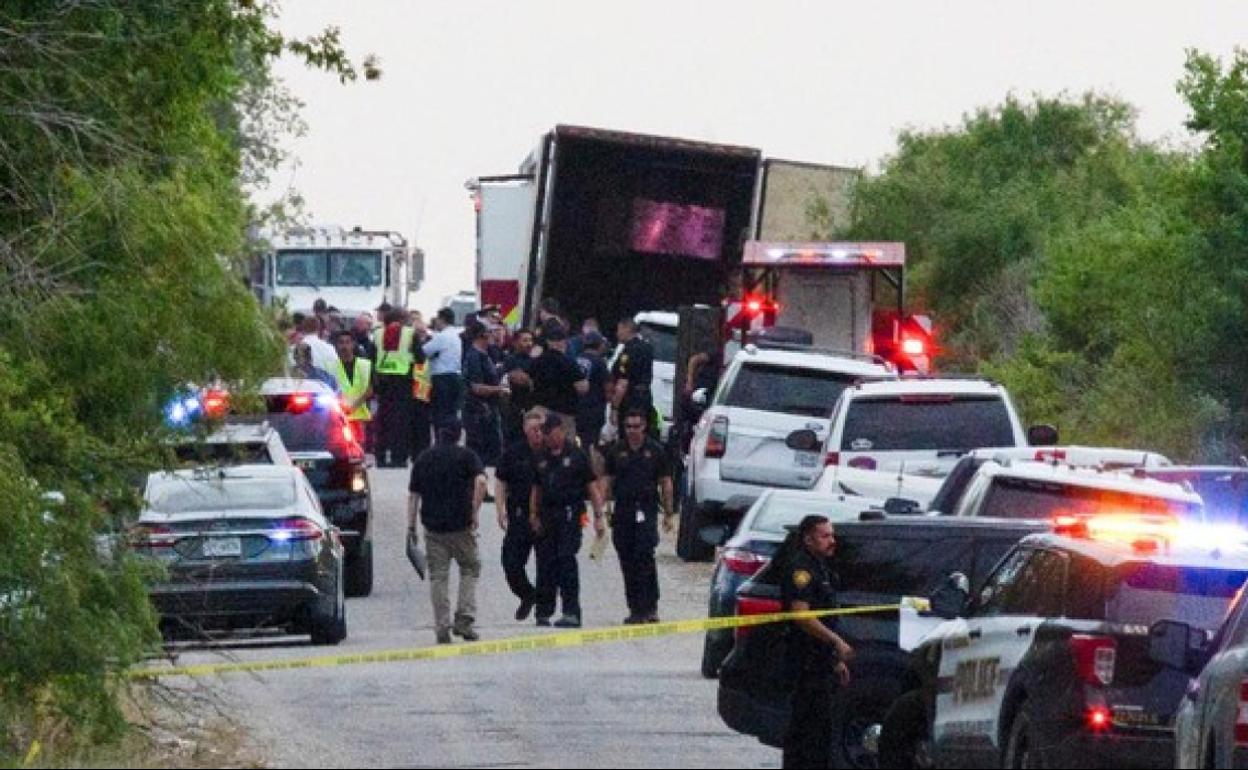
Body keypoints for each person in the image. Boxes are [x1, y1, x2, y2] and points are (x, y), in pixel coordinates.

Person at [778, 515, 854, 769]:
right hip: (804, 664)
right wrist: (836, 641)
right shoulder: (801, 569)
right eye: (825, 536)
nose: (832, 541)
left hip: (820, 663)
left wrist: (835, 661)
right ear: (808, 539)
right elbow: (801, 615)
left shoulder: (821, 567)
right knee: (805, 732)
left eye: (832, 535)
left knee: (821, 732)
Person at [407, 420, 487, 644]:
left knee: (438, 576)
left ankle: (442, 626)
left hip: (434, 529)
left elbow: (413, 496)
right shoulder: (467, 456)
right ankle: (464, 619)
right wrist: (474, 510)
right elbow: (481, 482)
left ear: (437, 435)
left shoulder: (424, 458)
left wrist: (411, 527)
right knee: (470, 567)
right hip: (461, 526)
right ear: (459, 435)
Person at [529, 412, 606, 628]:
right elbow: (536, 489)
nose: (548, 437)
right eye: (545, 433)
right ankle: (543, 611)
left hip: (570, 514)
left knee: (566, 561)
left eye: (551, 432)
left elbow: (592, 488)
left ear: (561, 431)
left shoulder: (577, 455)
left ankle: (571, 611)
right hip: (547, 515)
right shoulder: (541, 457)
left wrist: (599, 517)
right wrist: (533, 515)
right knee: (545, 563)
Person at [602, 409, 675, 624]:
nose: (632, 431)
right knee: (626, 557)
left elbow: (665, 482)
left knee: (644, 555)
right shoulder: (617, 451)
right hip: (623, 510)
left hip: (646, 508)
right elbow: (607, 480)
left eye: (636, 426)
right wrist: (605, 508)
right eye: (628, 427)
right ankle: (634, 607)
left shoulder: (656, 451)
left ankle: (649, 605)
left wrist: (668, 513)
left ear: (644, 427)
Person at [495, 409, 545, 621]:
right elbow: (500, 481)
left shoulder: (552, 452)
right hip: (519, 514)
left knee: (546, 564)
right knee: (511, 562)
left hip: (546, 515)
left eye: (541, 429)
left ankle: (544, 610)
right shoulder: (514, 453)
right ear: (525, 430)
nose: (538, 433)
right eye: (533, 429)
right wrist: (500, 509)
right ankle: (527, 594)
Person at [372, 308, 417, 468]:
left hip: (383, 381)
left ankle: (380, 457)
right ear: (401, 319)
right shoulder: (410, 333)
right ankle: (399, 458)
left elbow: (372, 357)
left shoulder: (378, 333)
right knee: (401, 421)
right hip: (403, 381)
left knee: (383, 421)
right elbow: (420, 356)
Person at [529, 320, 588, 436]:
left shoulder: (537, 361)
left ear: (548, 342)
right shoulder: (569, 363)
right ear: (564, 342)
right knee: (562, 444)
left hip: (539, 411)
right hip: (563, 415)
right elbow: (582, 388)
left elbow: (529, 382)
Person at [462, 321, 506, 468]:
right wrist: (500, 389)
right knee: (479, 455)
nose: (494, 335)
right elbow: (477, 387)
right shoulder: (474, 357)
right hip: (479, 411)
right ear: (482, 335)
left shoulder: (486, 355)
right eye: (490, 332)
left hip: (488, 411)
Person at [611, 317, 655, 436]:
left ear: (627, 329)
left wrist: (614, 408)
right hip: (644, 399)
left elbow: (623, 383)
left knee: (628, 435)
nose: (617, 333)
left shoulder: (628, 351)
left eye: (619, 329)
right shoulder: (647, 348)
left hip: (630, 401)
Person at [423, 307, 464, 430]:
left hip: (441, 379)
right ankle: (451, 436)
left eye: (437, 319)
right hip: (455, 377)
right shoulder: (456, 336)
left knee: (440, 414)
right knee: (451, 413)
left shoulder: (442, 336)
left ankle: (441, 438)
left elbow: (424, 351)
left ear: (442, 319)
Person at [332, 331, 373, 449]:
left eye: (347, 342)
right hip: (338, 416)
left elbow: (370, 389)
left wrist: (353, 407)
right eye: (341, 343)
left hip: (358, 415)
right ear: (336, 345)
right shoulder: (331, 366)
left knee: (358, 448)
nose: (344, 346)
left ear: (353, 344)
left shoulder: (365, 365)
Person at [575, 330, 610, 456]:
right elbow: (607, 387)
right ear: (599, 345)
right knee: (589, 446)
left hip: (575, 409)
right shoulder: (600, 362)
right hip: (593, 411)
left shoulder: (576, 359)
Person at [501, 328, 536, 444]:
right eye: (525, 340)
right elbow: (509, 379)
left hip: (530, 408)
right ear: (516, 342)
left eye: (530, 340)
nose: (529, 344)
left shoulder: (535, 362)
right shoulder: (509, 360)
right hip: (512, 408)